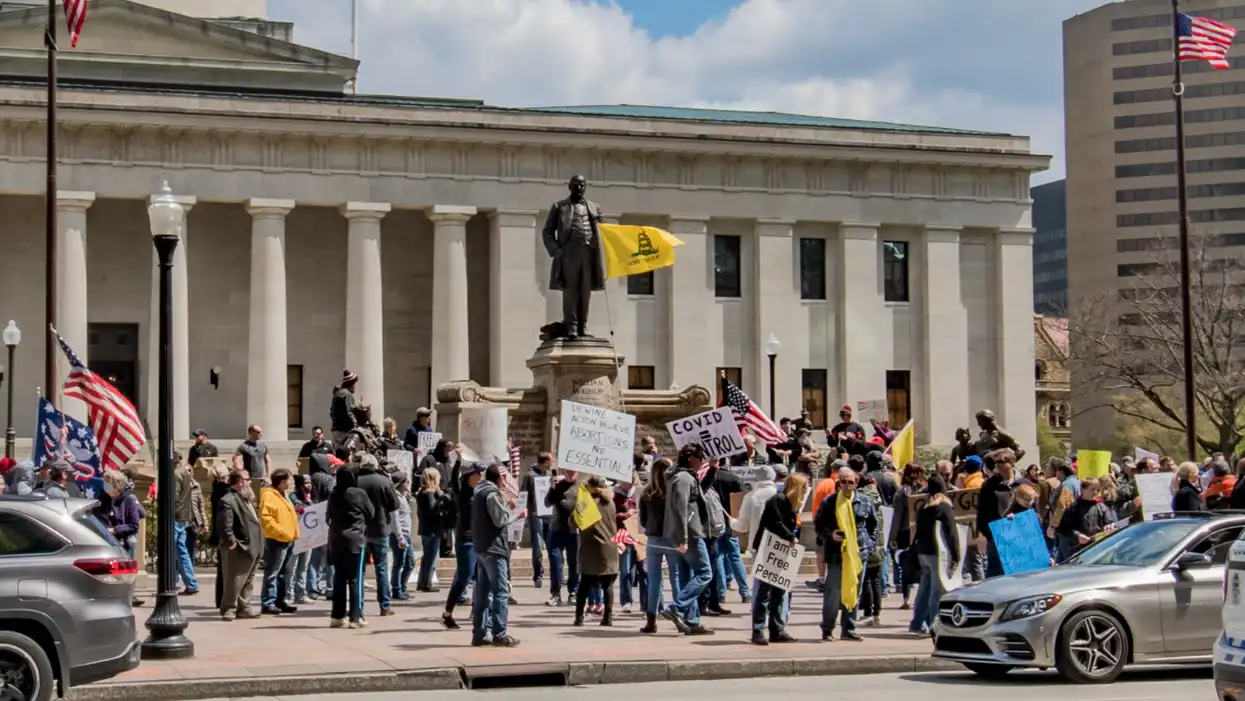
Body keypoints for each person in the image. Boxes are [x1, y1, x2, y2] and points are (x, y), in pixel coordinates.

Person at [814, 465, 876, 642]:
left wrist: (870, 545)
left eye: (851, 482)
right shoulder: (829, 502)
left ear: (856, 483)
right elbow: (818, 525)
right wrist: (830, 534)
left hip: (858, 554)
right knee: (832, 593)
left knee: (854, 591)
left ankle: (849, 629)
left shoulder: (865, 501)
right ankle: (827, 629)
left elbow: (873, 526)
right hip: (836, 554)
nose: (847, 485)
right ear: (839, 483)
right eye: (844, 482)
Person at [661, 444, 714, 636]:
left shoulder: (683, 477)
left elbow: (696, 495)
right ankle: (676, 607)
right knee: (705, 573)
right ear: (691, 459)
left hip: (683, 534)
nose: (702, 462)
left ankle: (691, 620)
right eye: (700, 459)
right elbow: (681, 509)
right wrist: (683, 538)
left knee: (686, 577)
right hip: (689, 534)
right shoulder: (683, 478)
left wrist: (713, 470)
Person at [750, 473, 805, 646]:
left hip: (784, 551)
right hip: (770, 550)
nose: (805, 491)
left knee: (780, 592)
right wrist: (790, 536)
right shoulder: (777, 500)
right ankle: (758, 630)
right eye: (804, 487)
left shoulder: (793, 505)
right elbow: (774, 522)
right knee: (764, 592)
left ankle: (777, 629)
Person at [470, 463, 522, 646]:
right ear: (499, 478)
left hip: (482, 547)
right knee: (500, 592)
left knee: (483, 593)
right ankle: (499, 634)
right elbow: (500, 519)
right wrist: (515, 513)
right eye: (504, 478)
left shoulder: (478, 492)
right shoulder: (491, 494)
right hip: (494, 548)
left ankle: (479, 633)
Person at [909, 474, 960, 635]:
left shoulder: (923, 506)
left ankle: (917, 623)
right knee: (936, 591)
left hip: (923, 552)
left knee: (924, 588)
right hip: (937, 552)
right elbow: (951, 532)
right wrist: (956, 555)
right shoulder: (944, 506)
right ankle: (934, 624)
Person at [327, 466, 375, 629]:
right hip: (355, 539)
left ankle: (337, 616)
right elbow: (371, 513)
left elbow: (329, 515)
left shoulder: (334, 494)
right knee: (355, 579)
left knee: (339, 578)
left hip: (336, 539)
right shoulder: (358, 493)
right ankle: (356, 616)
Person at [355, 453, 400, 616]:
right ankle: (385, 605)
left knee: (359, 569)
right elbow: (394, 504)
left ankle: (358, 606)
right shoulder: (384, 481)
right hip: (380, 528)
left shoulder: (355, 481)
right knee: (381, 568)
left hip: (360, 528)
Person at [443, 462, 486, 630]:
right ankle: (447, 613)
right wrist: (458, 461)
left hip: (480, 539)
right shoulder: (462, 493)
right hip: (466, 540)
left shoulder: (480, 492)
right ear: (469, 475)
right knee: (463, 577)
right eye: (477, 473)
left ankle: (478, 612)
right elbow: (454, 479)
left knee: (480, 578)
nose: (480, 476)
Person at [640, 458, 680, 634]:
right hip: (672, 538)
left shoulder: (647, 492)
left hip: (653, 538)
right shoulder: (674, 491)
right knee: (675, 577)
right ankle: (679, 614)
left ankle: (651, 620)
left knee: (654, 581)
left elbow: (642, 520)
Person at [217, 471, 263, 621]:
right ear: (239, 481)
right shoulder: (228, 500)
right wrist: (231, 541)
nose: (250, 482)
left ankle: (244, 607)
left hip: (253, 545)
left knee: (248, 580)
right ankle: (229, 608)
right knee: (235, 579)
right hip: (239, 547)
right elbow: (225, 525)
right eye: (247, 479)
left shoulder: (246, 498)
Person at [575, 475, 620, 626]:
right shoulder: (610, 503)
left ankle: (579, 617)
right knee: (607, 585)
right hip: (609, 547)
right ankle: (608, 617)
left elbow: (572, 522)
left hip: (590, 548)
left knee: (584, 584)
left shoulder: (586, 503)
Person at [259, 468, 301, 615]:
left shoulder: (284, 495)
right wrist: (280, 531)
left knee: (283, 572)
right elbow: (266, 518)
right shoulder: (269, 495)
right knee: (273, 572)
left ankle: (280, 600)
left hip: (288, 538)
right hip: (277, 539)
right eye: (288, 480)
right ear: (281, 481)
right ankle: (268, 602)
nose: (289, 483)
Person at [889, 462, 925, 610]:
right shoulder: (922, 491)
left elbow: (897, 516)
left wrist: (892, 536)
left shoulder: (902, 492)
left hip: (904, 532)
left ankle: (906, 599)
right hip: (919, 531)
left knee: (906, 566)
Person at [976, 448, 1016, 578]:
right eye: (995, 463)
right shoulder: (989, 486)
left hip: (1020, 537)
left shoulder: (1022, 484)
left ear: (1012, 463)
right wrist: (990, 536)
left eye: (1001, 462)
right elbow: (981, 514)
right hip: (997, 539)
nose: (997, 466)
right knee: (996, 576)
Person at [545, 469, 581, 607]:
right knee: (556, 563)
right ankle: (556, 594)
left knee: (574, 564)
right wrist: (552, 489)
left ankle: (573, 592)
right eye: (568, 471)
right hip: (557, 530)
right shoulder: (558, 486)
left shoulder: (582, 488)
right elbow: (547, 502)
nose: (571, 474)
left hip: (574, 531)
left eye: (573, 472)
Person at [520, 452, 555, 589]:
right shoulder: (530, 476)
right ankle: (538, 576)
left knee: (552, 546)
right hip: (536, 515)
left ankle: (555, 574)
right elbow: (523, 494)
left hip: (549, 516)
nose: (552, 463)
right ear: (545, 462)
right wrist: (525, 512)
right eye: (550, 460)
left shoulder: (550, 475)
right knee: (538, 547)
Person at [172, 451, 201, 596]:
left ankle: (170, 584)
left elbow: (174, 497)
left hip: (175, 517)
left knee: (171, 551)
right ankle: (191, 583)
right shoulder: (184, 473)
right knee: (181, 551)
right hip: (183, 517)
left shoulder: (175, 474)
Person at [416, 468, 449, 592]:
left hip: (425, 528)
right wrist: (440, 497)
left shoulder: (421, 492)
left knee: (427, 557)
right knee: (431, 558)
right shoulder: (430, 493)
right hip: (433, 530)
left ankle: (422, 582)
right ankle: (426, 583)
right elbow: (433, 508)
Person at [390, 472, 415, 600]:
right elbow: (395, 520)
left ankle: (402, 587)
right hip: (399, 535)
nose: (408, 484)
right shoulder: (395, 498)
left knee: (410, 563)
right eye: (406, 482)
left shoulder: (403, 496)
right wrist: (400, 537)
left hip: (406, 534)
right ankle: (396, 589)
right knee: (399, 563)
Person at [330, 369, 360, 445]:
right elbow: (349, 413)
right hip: (345, 432)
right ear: (351, 383)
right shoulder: (347, 394)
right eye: (355, 384)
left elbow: (331, 413)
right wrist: (356, 426)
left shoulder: (337, 394)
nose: (355, 386)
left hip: (336, 431)